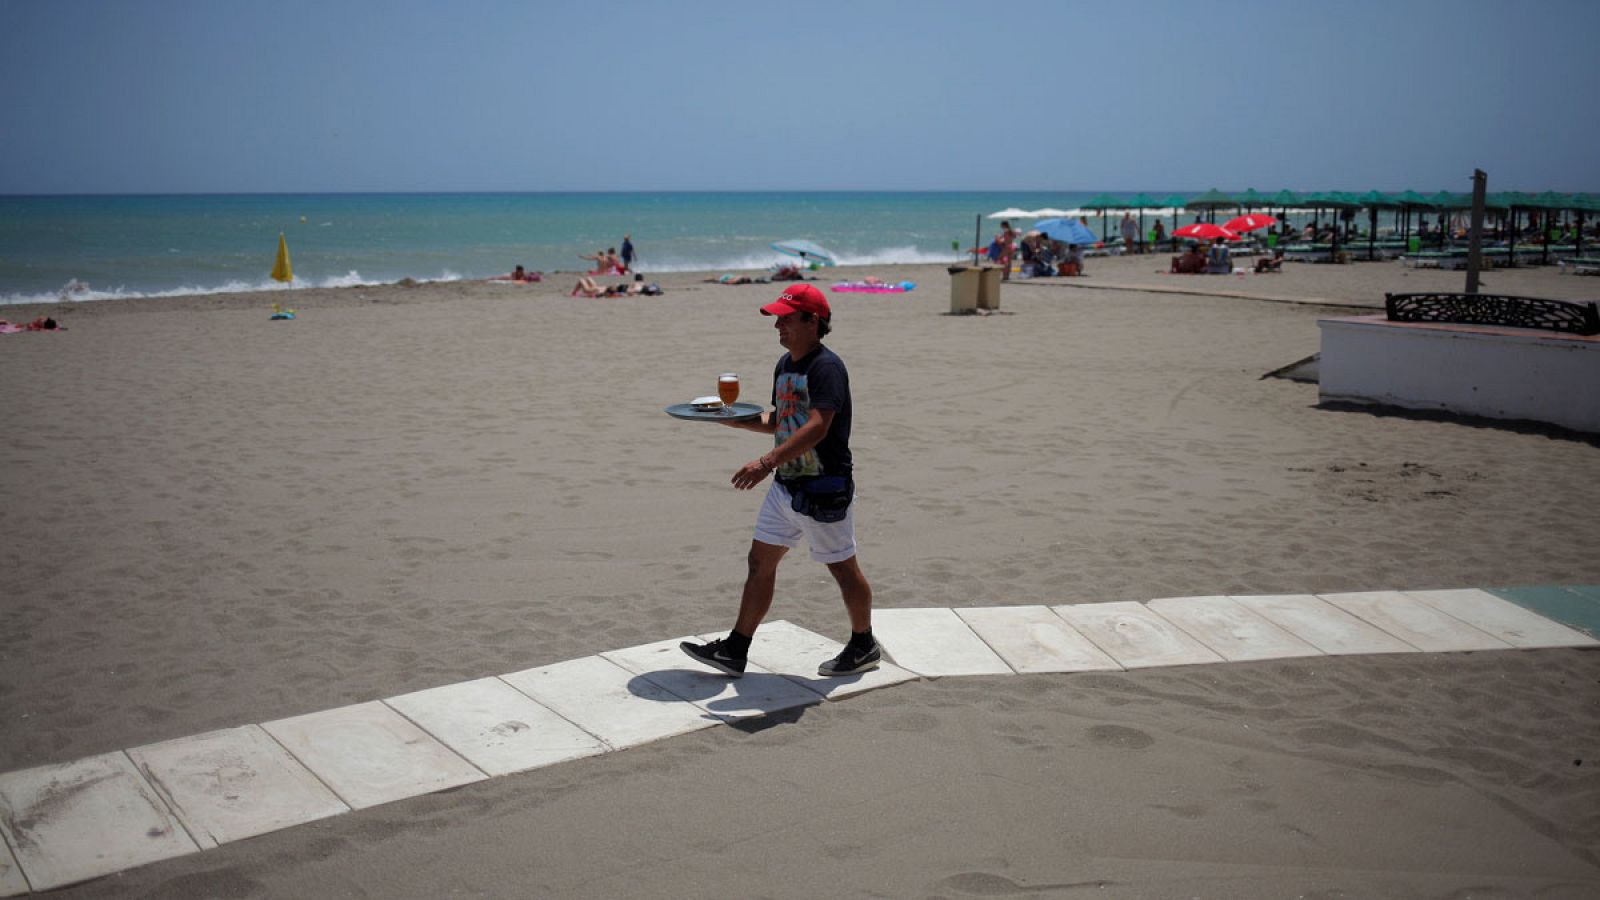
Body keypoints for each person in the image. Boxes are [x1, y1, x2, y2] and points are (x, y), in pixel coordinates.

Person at [680, 284, 878, 678]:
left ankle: (863, 644)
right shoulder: (785, 365)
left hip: (823, 488)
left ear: (813, 322)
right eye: (777, 318)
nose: (778, 326)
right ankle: (736, 648)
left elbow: (818, 426)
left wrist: (766, 462)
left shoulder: (827, 368)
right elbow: (781, 421)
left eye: (786, 319)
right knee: (759, 562)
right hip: (787, 486)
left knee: (842, 568)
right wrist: (734, 420)